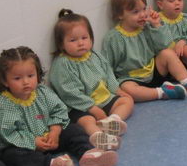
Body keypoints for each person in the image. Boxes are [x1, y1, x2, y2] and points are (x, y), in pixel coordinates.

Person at [0, 47, 117, 166]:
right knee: (11, 157)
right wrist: (34, 142)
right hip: (26, 146)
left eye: (30, 76)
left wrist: (55, 132)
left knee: (74, 130)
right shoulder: (3, 105)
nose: (26, 82)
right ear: (5, 81)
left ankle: (88, 153)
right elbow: (8, 133)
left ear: (37, 74)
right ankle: (54, 164)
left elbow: (59, 110)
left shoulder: (42, 92)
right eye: (17, 78)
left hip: (51, 137)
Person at [101, 0, 187, 102]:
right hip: (132, 79)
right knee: (126, 88)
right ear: (120, 15)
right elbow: (107, 67)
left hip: (154, 71)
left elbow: (165, 45)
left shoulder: (147, 27)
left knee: (167, 53)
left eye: (144, 9)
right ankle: (163, 92)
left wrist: (157, 25)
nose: (143, 14)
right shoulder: (113, 38)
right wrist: (114, 88)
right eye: (135, 12)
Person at [47, 9, 133, 149]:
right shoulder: (62, 64)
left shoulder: (94, 55)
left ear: (91, 38)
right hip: (79, 106)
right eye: (73, 40)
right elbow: (69, 92)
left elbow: (108, 73)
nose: (80, 43)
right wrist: (91, 108)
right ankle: (99, 137)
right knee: (87, 121)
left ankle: (112, 121)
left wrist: (117, 90)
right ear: (61, 44)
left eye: (84, 38)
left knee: (127, 100)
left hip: (103, 98)